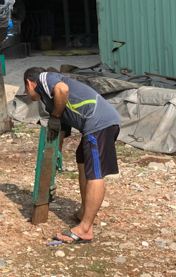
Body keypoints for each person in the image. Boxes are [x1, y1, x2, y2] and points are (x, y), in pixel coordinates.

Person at [24, 68, 121, 244]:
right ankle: (85, 212)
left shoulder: (44, 78)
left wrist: (55, 115)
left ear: (29, 83)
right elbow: (59, 131)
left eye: (25, 89)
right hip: (97, 123)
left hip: (98, 122)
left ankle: (85, 229)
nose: (26, 93)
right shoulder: (50, 101)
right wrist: (52, 163)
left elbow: (63, 90)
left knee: (95, 172)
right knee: (82, 159)